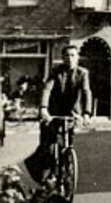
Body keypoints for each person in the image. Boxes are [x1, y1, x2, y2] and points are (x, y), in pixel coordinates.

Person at [26, 41, 91, 186]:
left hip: (72, 113)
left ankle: (66, 169)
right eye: (67, 55)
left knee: (67, 143)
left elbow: (86, 92)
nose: (70, 58)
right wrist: (43, 108)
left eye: (73, 55)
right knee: (47, 145)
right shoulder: (56, 71)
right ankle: (45, 174)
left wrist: (86, 113)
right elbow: (47, 89)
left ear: (77, 57)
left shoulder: (83, 73)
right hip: (52, 112)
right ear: (62, 57)